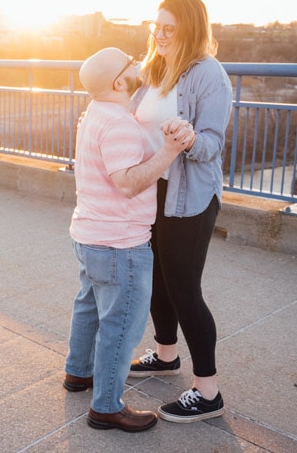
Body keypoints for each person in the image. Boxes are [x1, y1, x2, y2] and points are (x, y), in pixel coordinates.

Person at [64, 47, 194, 432]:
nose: (138, 66)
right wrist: (170, 150)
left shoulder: (94, 113)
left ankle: (79, 373)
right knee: (120, 327)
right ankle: (105, 406)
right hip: (119, 242)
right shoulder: (119, 123)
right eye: (130, 64)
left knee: (88, 307)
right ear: (120, 82)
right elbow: (126, 183)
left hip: (90, 234)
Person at [128, 0, 233, 423]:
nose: (160, 34)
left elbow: (212, 144)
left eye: (169, 28)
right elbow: (131, 117)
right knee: (156, 279)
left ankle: (208, 392)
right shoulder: (153, 67)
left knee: (185, 289)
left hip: (189, 196)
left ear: (191, 28)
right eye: (156, 26)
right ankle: (167, 355)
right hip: (152, 190)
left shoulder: (210, 74)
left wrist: (189, 138)